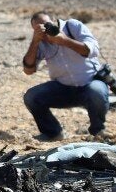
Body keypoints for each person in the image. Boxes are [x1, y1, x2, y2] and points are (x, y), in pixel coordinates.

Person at [22, 11, 109, 141]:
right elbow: (28, 70)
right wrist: (35, 41)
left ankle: (98, 131)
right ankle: (53, 133)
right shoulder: (41, 41)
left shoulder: (72, 26)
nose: (45, 30)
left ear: (55, 20)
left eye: (47, 25)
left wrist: (64, 41)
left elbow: (93, 50)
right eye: (39, 28)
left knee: (96, 91)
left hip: (89, 83)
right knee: (32, 97)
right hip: (63, 88)